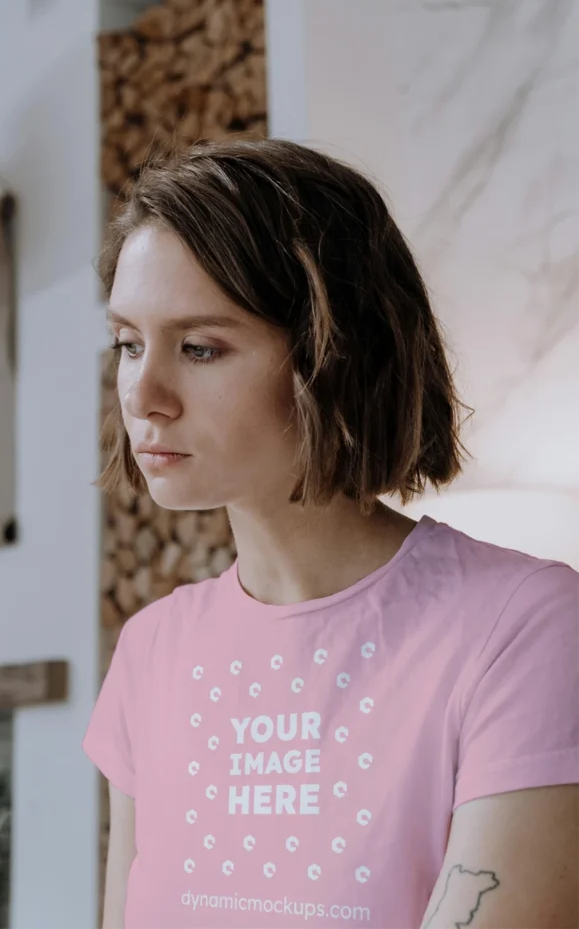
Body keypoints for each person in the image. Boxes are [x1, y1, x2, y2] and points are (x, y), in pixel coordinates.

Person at [82, 139, 579, 929]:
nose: (142, 393)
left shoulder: (524, 625)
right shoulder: (151, 651)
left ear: (333, 354)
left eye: (200, 347)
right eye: (127, 344)